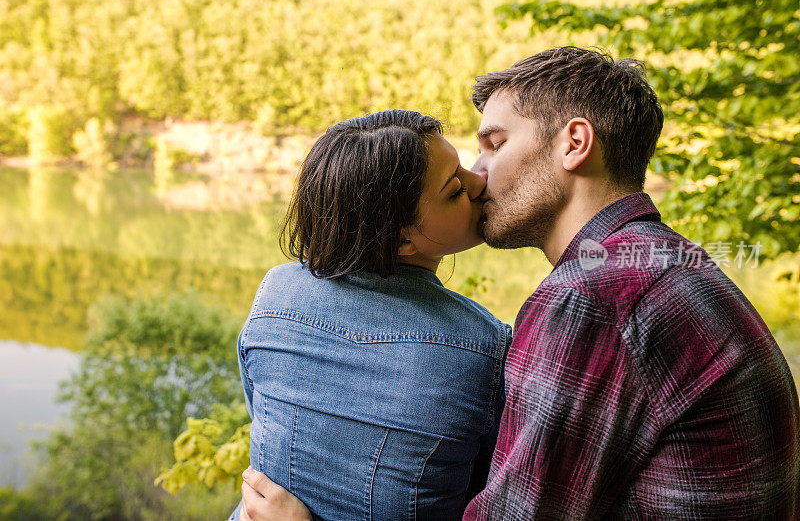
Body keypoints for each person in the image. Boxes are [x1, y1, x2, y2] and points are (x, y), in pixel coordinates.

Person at [237, 47, 800, 519]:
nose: (478, 175)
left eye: (495, 143)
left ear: (574, 144)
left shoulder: (595, 297)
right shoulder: (664, 265)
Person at [228, 110, 512, 521]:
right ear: (400, 239)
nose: (478, 182)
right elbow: (491, 498)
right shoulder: (484, 347)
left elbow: (265, 416)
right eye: (454, 190)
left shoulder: (278, 290)